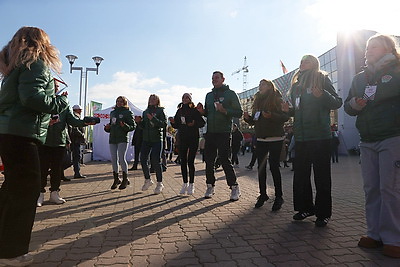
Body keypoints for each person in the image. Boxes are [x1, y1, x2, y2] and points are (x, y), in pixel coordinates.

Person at [0, 26, 69, 266]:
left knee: (12, 189)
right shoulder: (35, 63)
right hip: (22, 133)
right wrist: (58, 101)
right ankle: (11, 252)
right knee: (25, 192)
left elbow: (20, 97)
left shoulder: (15, 66)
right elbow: (32, 98)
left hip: (9, 132)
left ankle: (6, 246)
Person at [344, 34, 400, 258]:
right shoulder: (360, 78)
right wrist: (355, 104)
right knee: (372, 189)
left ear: (387, 48)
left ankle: (394, 238)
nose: (368, 51)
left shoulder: (397, 71)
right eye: (367, 47)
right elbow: (348, 106)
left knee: (391, 189)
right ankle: (374, 234)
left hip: (392, 136)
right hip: (367, 139)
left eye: (374, 47)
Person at [287, 55, 342, 227]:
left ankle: (323, 213)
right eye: (301, 60)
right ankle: (306, 208)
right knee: (301, 176)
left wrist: (323, 95)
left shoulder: (321, 78)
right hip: (301, 137)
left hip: (320, 136)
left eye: (307, 60)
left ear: (315, 64)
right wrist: (287, 110)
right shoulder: (296, 86)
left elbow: (337, 102)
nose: (302, 63)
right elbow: (297, 110)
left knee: (322, 177)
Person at [37, 80, 95, 207]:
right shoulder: (42, 101)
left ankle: (55, 193)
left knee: (57, 169)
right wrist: (47, 124)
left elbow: (72, 120)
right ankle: (39, 194)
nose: (57, 88)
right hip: (44, 140)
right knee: (42, 168)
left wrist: (85, 122)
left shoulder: (63, 103)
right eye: (54, 86)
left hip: (59, 141)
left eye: (58, 86)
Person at [244, 79, 289, 211]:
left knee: (274, 167)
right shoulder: (257, 100)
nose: (260, 86)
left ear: (270, 86)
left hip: (275, 138)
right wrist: (248, 119)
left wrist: (271, 115)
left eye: (263, 84)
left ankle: (279, 197)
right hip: (261, 139)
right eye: (259, 84)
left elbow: (285, 117)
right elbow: (255, 120)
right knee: (261, 168)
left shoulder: (276, 98)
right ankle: (263, 195)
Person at [197, 71, 243, 201]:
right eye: (212, 78)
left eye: (216, 78)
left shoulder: (230, 94)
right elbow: (208, 113)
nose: (214, 80)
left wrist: (225, 110)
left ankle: (234, 187)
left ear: (223, 79)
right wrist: (202, 112)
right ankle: (210, 186)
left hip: (224, 131)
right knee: (209, 160)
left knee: (224, 160)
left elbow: (239, 112)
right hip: (210, 131)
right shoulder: (209, 95)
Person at [171, 93, 205, 195]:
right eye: (183, 97)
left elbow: (202, 123)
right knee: (183, 161)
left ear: (190, 99)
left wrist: (194, 124)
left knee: (190, 161)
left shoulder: (194, 110)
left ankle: (191, 184)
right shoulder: (179, 111)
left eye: (187, 97)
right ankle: (184, 183)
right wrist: (173, 122)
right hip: (183, 138)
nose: (185, 99)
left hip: (193, 138)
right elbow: (177, 125)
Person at [136, 94, 167, 194]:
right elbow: (144, 126)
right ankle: (148, 180)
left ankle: (159, 183)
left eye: (154, 99)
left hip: (157, 139)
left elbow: (163, 124)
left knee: (156, 161)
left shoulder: (160, 111)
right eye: (150, 99)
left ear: (157, 101)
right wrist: (139, 122)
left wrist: (153, 119)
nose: (152, 100)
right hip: (146, 139)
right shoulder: (145, 112)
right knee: (143, 159)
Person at [104, 96, 135, 190]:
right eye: (117, 101)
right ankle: (116, 179)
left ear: (124, 103)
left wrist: (124, 125)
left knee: (122, 158)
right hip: (113, 138)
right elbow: (112, 125)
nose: (119, 103)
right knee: (114, 159)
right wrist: (107, 128)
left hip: (122, 138)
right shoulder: (112, 112)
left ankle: (125, 179)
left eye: (121, 101)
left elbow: (133, 126)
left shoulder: (128, 112)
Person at [69, 104, 87, 178]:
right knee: (76, 156)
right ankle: (77, 172)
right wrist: (82, 135)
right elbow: (75, 128)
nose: (81, 111)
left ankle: (77, 172)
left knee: (76, 156)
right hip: (75, 140)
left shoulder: (74, 117)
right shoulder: (75, 117)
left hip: (75, 139)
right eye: (80, 110)